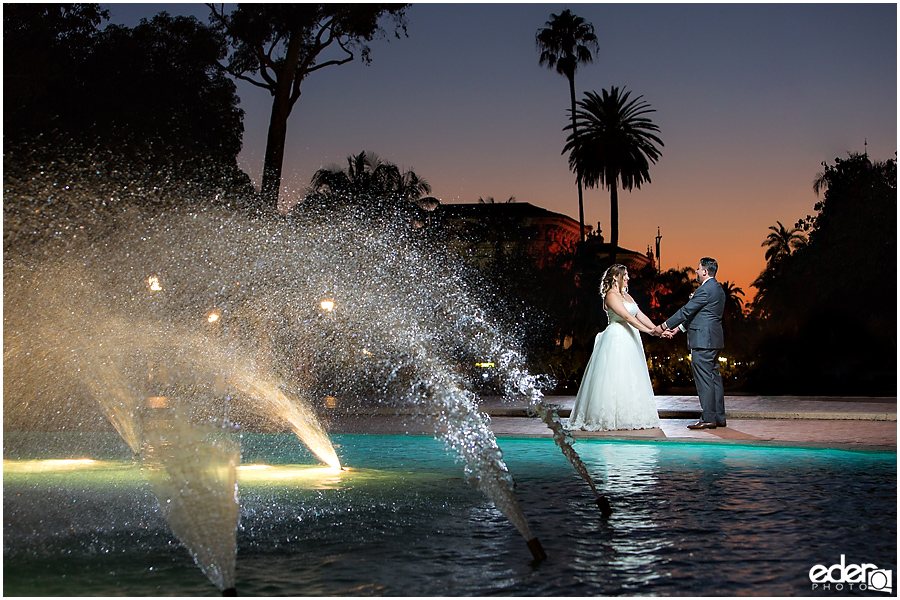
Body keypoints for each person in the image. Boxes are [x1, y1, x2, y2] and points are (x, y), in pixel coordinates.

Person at [569, 265, 661, 431]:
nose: (628, 278)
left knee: (631, 376)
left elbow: (639, 314)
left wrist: (657, 330)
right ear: (616, 277)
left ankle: (632, 414)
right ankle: (611, 417)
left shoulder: (626, 295)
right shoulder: (610, 296)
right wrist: (647, 331)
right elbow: (626, 316)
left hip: (631, 338)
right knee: (615, 376)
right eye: (625, 275)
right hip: (617, 337)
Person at [652, 257, 726, 429]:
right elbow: (700, 313)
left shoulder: (705, 290)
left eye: (699, 269)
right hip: (714, 341)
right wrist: (678, 329)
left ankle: (708, 418)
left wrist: (664, 326)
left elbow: (686, 311)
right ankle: (719, 417)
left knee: (704, 380)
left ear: (705, 271)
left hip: (702, 341)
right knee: (714, 379)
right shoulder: (718, 289)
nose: (697, 272)